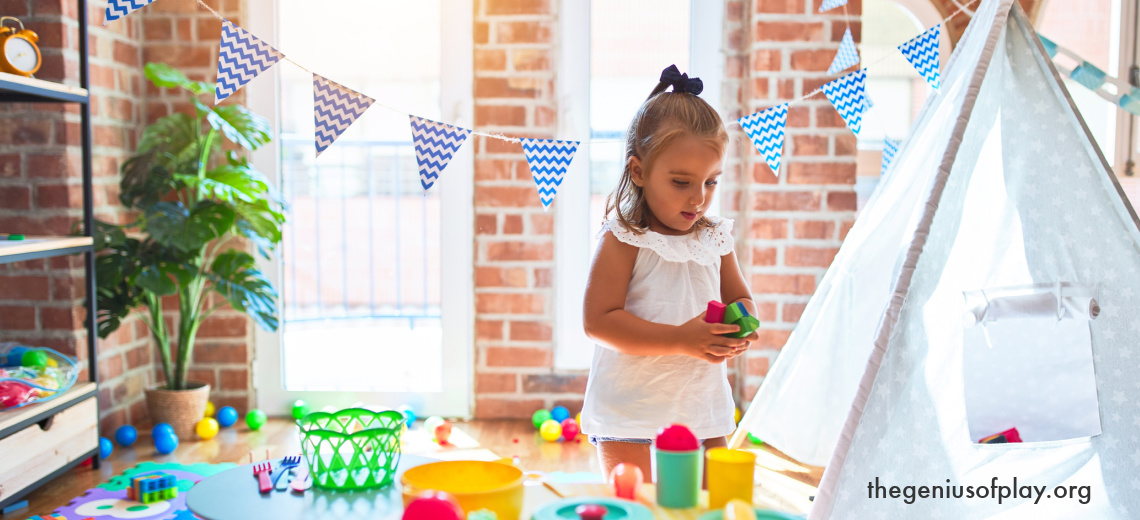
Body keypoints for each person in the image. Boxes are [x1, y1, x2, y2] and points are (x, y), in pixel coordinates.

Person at [581, 64, 760, 482]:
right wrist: (680, 338)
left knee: (703, 506)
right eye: (681, 182)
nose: (698, 198)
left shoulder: (715, 237)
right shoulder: (623, 238)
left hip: (700, 401)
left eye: (711, 183)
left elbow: (740, 298)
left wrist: (743, 325)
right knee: (637, 504)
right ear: (639, 171)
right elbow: (597, 321)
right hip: (630, 405)